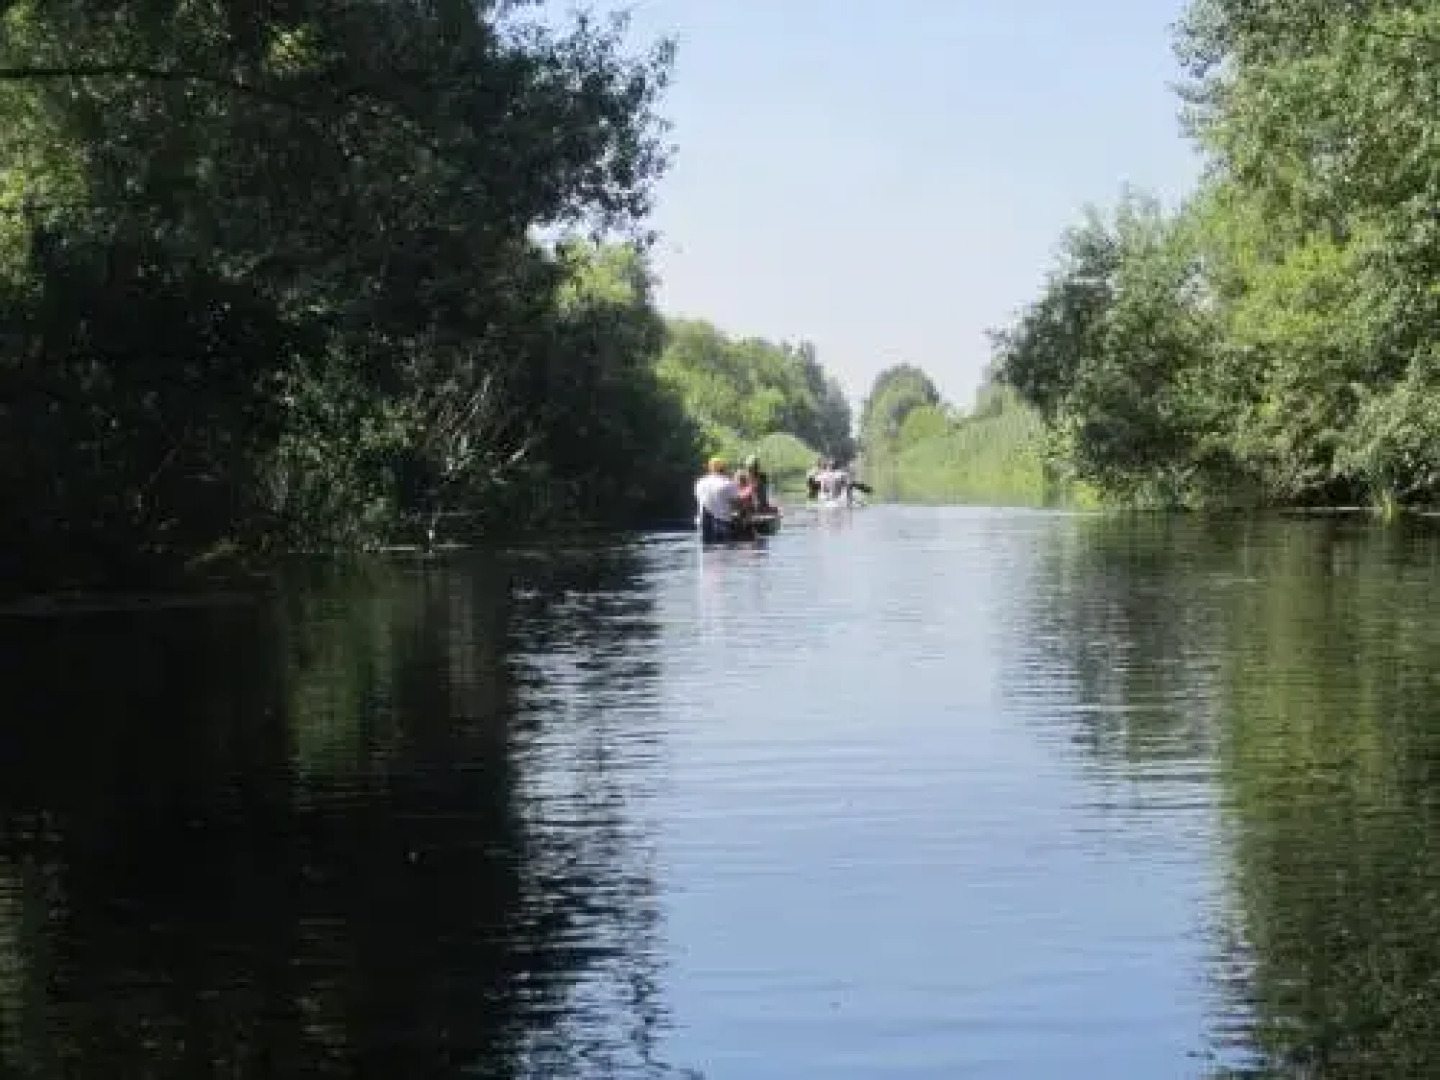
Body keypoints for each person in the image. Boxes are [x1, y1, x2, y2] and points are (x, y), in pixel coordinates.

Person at [694, 457, 742, 541]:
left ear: (709, 469)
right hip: (723, 524)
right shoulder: (728, 483)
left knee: (707, 551)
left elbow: (700, 500)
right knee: (723, 551)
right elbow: (737, 504)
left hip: (704, 525)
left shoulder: (699, 483)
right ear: (723, 469)